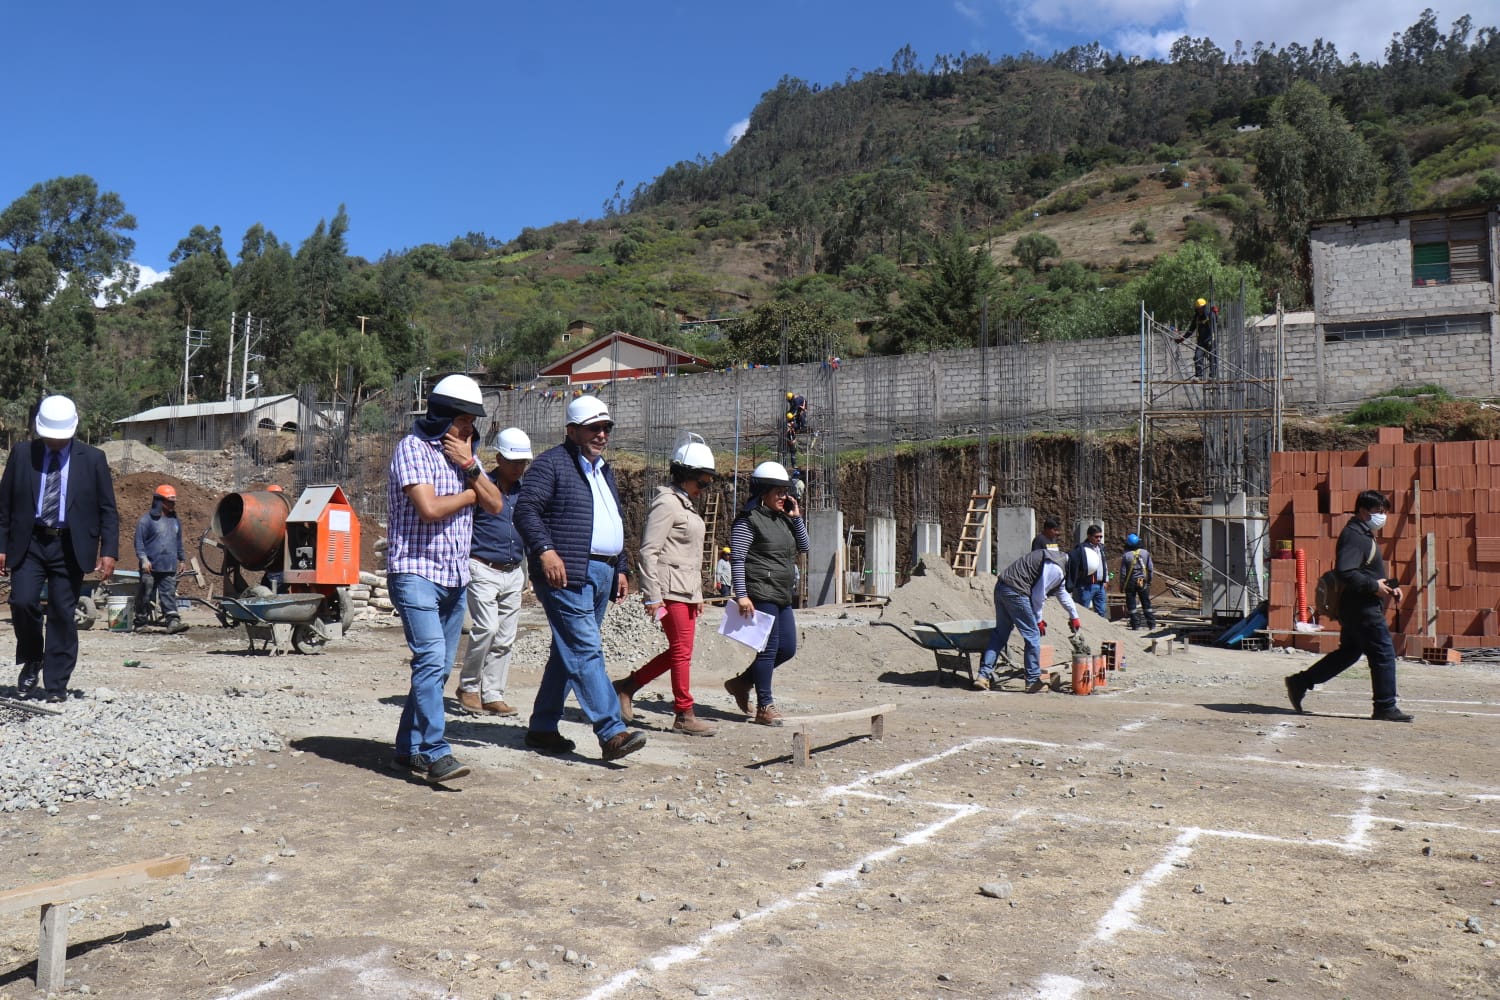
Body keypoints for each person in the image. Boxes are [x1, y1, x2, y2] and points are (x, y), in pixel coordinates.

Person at [513, 395, 648, 762]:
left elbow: (612, 519)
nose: (602, 434)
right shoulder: (550, 465)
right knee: (586, 647)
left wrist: (620, 566)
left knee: (567, 650)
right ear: (571, 430)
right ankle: (611, 731)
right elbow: (526, 511)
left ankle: (542, 727)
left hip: (602, 572)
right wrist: (545, 550)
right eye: (594, 427)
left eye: (606, 428)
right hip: (566, 571)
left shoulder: (602, 469)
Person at [386, 374, 502, 785]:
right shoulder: (412, 449)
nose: (471, 427)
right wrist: (473, 491)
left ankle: (406, 748)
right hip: (415, 571)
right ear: (443, 417)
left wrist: (470, 467)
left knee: (434, 669)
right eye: (465, 418)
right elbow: (430, 508)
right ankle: (436, 752)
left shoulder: (467, 457)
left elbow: (497, 502)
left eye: (473, 420)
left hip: (454, 575)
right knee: (432, 661)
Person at [0, 395, 118, 703]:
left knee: (63, 615)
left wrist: (109, 551)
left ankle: (56, 684)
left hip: (71, 544)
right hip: (30, 542)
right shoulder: (22, 454)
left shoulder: (92, 459)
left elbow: (108, 509)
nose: (54, 442)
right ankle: (32, 658)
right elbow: (4, 506)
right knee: (23, 602)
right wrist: (1, 545)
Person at [613, 434, 718, 737]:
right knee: (682, 652)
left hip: (686, 591)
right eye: (702, 480)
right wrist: (653, 597)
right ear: (685, 475)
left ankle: (627, 686)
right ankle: (684, 713)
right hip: (669, 591)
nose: (704, 488)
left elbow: (690, 556)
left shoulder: (685, 504)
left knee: (679, 651)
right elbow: (649, 551)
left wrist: (697, 595)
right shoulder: (667, 504)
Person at [1284, 490, 1412, 723]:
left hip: (1358, 604)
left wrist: (1389, 585)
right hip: (1361, 606)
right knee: (1383, 653)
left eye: (1384, 512)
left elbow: (1364, 570)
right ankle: (1385, 706)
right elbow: (1346, 571)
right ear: (1363, 511)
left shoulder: (1364, 533)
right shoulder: (1355, 535)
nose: (1382, 516)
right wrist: (1373, 585)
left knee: (1349, 652)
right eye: (1378, 512)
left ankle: (1299, 682)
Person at [723, 461, 810, 726]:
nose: (784, 496)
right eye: (778, 491)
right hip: (760, 591)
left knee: (788, 648)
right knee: (769, 649)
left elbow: (804, 546)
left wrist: (796, 518)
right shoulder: (748, 521)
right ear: (763, 492)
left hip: (781, 592)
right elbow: (737, 559)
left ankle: (741, 683)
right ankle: (765, 705)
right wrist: (741, 594)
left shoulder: (783, 519)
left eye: (785, 491)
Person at [454, 427, 532, 718]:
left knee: (505, 638)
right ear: (498, 458)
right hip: (482, 567)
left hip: (513, 571)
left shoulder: (526, 494)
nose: (518, 467)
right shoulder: (481, 486)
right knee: (486, 628)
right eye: (513, 461)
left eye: (523, 462)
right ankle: (469, 687)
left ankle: (493, 695)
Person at [973, 548, 1081, 694]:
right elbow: (1038, 595)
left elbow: (1062, 592)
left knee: (1000, 634)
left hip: (1002, 587)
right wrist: (1038, 620)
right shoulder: (1056, 567)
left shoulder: (1059, 562)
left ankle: (982, 676)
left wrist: (1074, 615)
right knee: (1032, 635)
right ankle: (1032, 680)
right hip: (1016, 592)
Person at [135, 484, 188, 633]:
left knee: (168, 594)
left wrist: (182, 559)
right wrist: (144, 559)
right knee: (145, 594)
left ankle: (173, 622)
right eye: (169, 501)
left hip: (168, 565)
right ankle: (140, 623)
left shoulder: (175, 520)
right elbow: (139, 543)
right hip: (150, 566)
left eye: (173, 502)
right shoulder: (146, 521)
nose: (172, 505)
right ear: (160, 501)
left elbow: (178, 541)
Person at [1066, 524, 1109, 618]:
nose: (1099, 539)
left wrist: (1106, 579)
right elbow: (1074, 565)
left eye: (1100, 537)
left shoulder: (1101, 548)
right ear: (1089, 536)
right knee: (1083, 611)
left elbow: (1104, 564)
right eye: (1096, 537)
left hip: (1100, 585)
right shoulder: (1081, 549)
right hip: (1086, 586)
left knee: (1101, 611)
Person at [1119, 533, 1157, 630]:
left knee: (1131, 604)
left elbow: (1123, 573)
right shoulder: (1145, 553)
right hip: (1142, 581)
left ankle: (1135, 625)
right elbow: (1150, 569)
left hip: (1130, 583)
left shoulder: (1126, 556)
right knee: (1146, 603)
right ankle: (1151, 624)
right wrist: (1149, 581)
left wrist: (1122, 585)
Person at [1178, 297, 1218, 380]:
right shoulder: (1196, 318)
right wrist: (1182, 338)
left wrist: (1215, 314)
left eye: (1201, 309)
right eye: (1198, 309)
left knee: (1212, 357)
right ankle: (1199, 375)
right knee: (1197, 357)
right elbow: (1190, 330)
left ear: (1204, 308)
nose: (1200, 311)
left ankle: (1212, 376)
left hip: (1210, 340)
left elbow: (1215, 321)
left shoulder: (1210, 314)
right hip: (1201, 342)